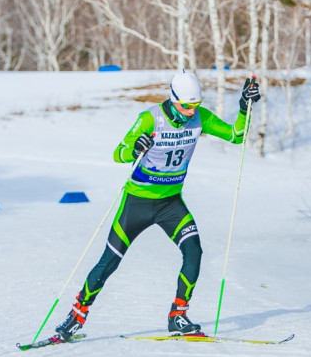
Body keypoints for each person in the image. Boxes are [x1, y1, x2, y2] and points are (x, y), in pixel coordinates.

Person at [55, 72, 261, 339]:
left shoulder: (200, 117)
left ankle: (178, 316)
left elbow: (236, 135)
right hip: (137, 203)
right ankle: (76, 316)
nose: (191, 111)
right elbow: (118, 153)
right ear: (173, 99)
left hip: (170, 204)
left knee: (194, 252)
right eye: (186, 105)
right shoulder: (150, 118)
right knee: (109, 262)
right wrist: (135, 148)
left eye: (195, 105)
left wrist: (245, 107)